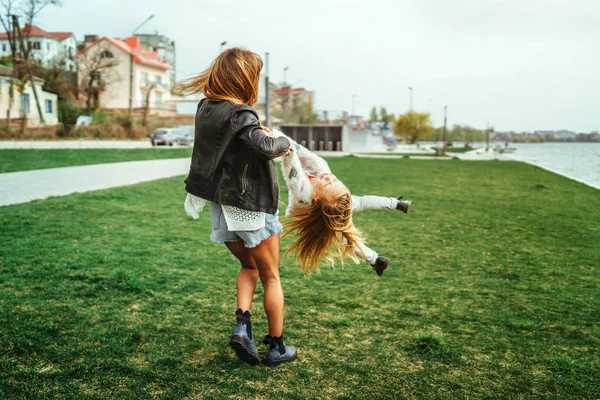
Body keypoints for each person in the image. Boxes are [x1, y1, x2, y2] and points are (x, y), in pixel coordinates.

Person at [178, 48, 297, 367]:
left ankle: (243, 325)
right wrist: (284, 140)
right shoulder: (241, 114)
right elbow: (267, 147)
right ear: (246, 79)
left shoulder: (205, 107)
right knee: (271, 276)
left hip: (221, 207)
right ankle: (278, 347)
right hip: (250, 208)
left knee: (249, 267)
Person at [269, 129, 411, 276]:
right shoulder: (322, 170)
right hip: (337, 202)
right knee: (351, 223)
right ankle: (377, 256)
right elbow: (302, 152)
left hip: (331, 206)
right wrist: (275, 136)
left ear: (316, 196)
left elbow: (294, 174)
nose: (329, 177)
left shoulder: (305, 197)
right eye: (331, 180)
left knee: (344, 235)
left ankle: (377, 254)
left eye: (330, 181)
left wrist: (288, 151)